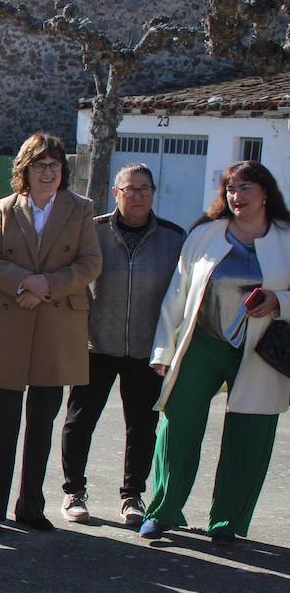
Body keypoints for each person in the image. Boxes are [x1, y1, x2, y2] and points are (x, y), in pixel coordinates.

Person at [141, 161, 290, 545]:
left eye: (245, 189)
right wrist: (163, 349)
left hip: (262, 349)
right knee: (178, 425)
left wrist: (279, 299)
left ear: (265, 193)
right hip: (203, 343)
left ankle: (226, 521)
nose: (236, 197)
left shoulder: (286, 237)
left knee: (251, 432)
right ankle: (163, 512)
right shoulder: (206, 235)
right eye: (230, 190)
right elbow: (177, 293)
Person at [0, 133, 100, 536]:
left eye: (55, 166)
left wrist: (46, 286)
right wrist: (25, 283)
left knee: (42, 425)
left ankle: (31, 507)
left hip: (56, 325)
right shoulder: (5, 209)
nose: (48, 173)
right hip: (8, 324)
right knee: (0, 424)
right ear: (24, 170)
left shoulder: (81, 209)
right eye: (39, 166)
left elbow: (90, 264)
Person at [60, 164, 184, 527]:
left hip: (147, 349)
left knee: (143, 426)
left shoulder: (174, 238)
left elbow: (181, 296)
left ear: (154, 192)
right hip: (95, 344)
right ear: (116, 193)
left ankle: (132, 495)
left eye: (145, 189)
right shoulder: (93, 232)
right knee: (79, 422)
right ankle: (73, 492)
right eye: (130, 189)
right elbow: (76, 283)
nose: (138, 196)